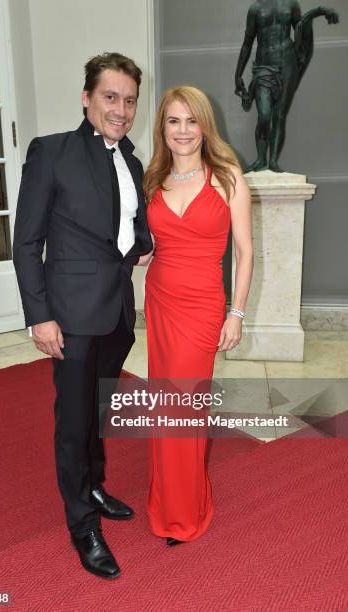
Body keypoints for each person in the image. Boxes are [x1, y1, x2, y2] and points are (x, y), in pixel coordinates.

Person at [13, 52, 152, 579]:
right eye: (111, 97)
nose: (121, 109)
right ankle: (82, 523)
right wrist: (39, 316)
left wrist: (144, 242)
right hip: (68, 315)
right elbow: (26, 242)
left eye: (129, 100)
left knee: (99, 410)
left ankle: (95, 483)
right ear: (87, 97)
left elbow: (130, 230)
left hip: (117, 312)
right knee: (73, 422)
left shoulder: (133, 162)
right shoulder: (51, 152)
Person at [141, 86, 253, 545]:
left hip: (203, 305)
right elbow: (148, 247)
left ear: (205, 126)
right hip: (161, 301)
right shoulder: (153, 179)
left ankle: (186, 512)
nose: (183, 131)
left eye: (191, 121)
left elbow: (245, 253)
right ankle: (166, 500)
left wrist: (237, 313)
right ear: (162, 129)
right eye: (173, 121)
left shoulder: (227, 178)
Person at [235, 0, 338, 172]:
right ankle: (261, 158)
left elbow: (300, 28)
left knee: (280, 116)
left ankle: (273, 160)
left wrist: (317, 12)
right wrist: (237, 74)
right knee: (264, 115)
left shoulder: (291, 4)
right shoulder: (255, 8)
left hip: (287, 64)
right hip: (264, 66)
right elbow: (247, 43)